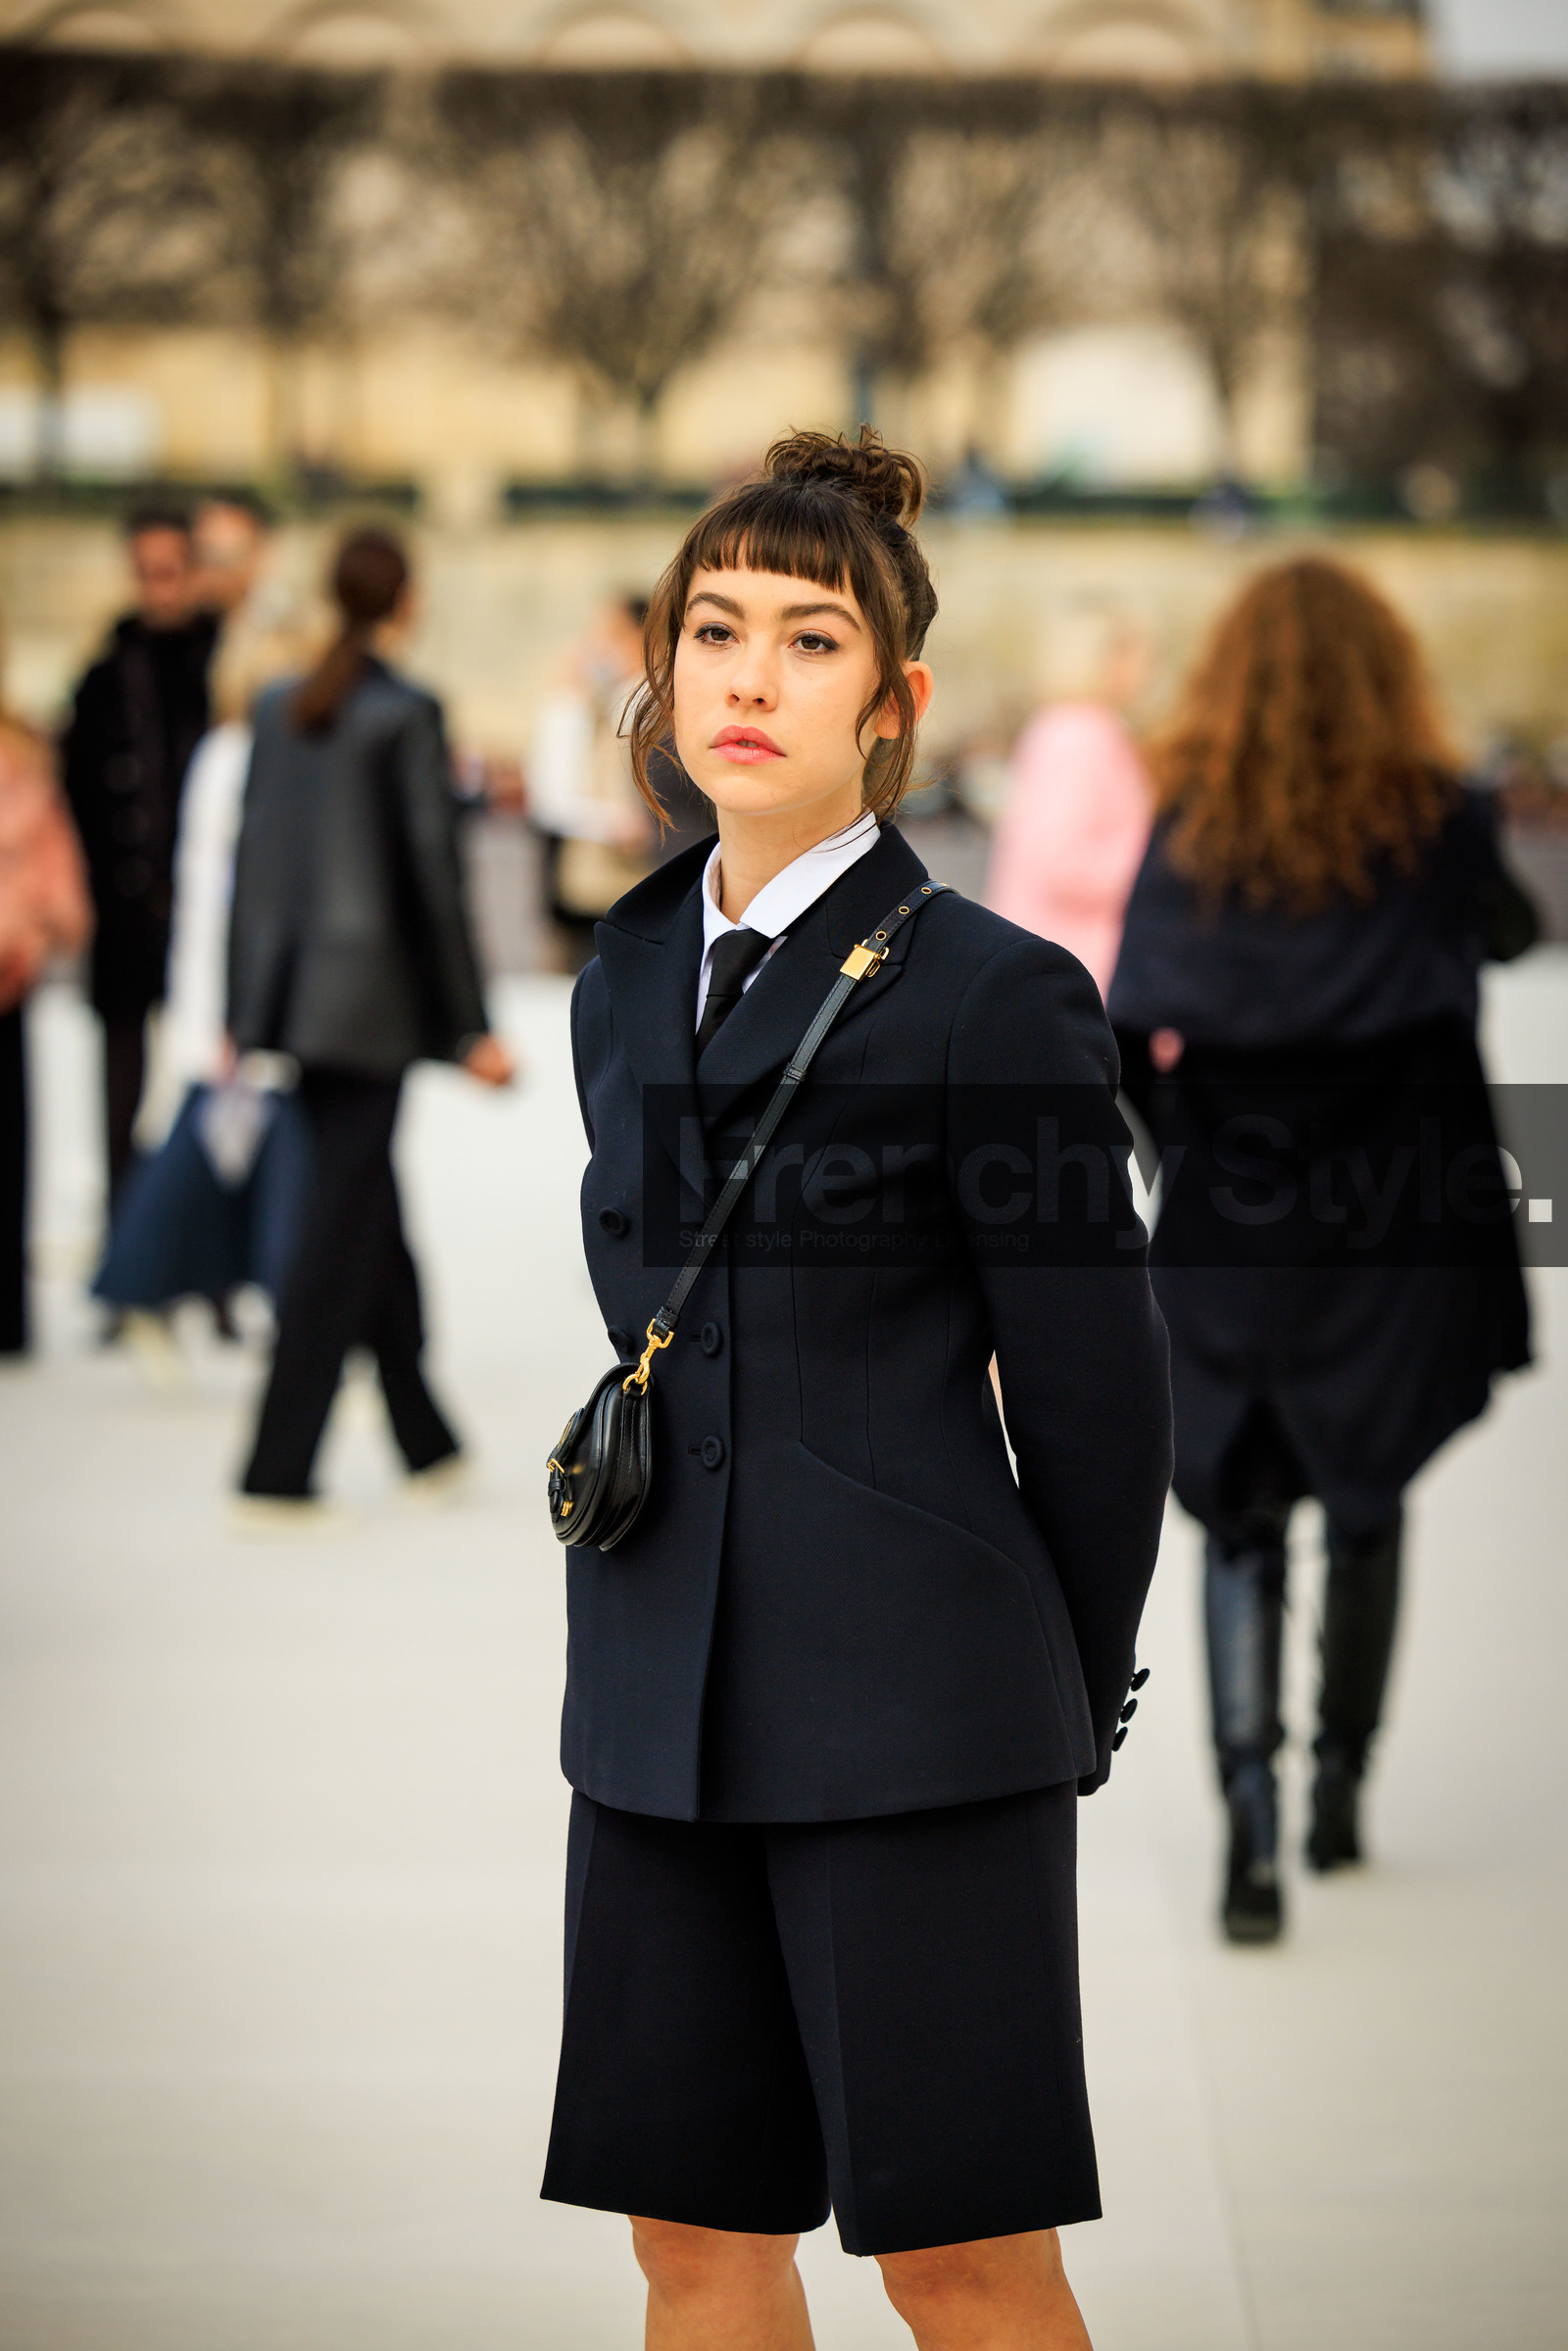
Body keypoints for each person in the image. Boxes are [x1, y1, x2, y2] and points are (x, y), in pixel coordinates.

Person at [545, 428, 1172, 2348]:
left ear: (891, 706)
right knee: (690, 2241)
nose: (742, 674)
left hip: (921, 1716)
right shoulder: (625, 970)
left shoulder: (994, 993)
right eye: (710, 627)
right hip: (658, 1698)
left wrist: (1048, 1693)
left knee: (960, 2260)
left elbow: (1097, 1398)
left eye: (805, 641)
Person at [1107, 557, 1535, 1945]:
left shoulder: (1196, 822)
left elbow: (1120, 1025)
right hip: (1400, 1207)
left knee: (1239, 1500)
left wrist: (1177, 1149)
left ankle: (1252, 1821)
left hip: (1234, 1203)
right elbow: (1517, 928)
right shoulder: (1438, 819)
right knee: (1369, 1483)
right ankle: (1343, 1779)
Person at [226, 526, 514, 1524]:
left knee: (360, 1205)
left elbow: (252, 863)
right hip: (374, 1005)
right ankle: (275, 1462)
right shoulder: (405, 711)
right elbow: (433, 884)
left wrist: (242, 1003)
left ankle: (421, 1434)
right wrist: (470, 1025)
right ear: (404, 600)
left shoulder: (277, 707)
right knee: (336, 1224)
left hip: (300, 996)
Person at [61, 504, 217, 1209]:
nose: (159, 586)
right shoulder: (101, 678)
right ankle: (123, 1233)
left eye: (171, 570)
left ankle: (202, 1253)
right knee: (120, 1085)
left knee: (210, 1084)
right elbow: (78, 796)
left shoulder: (221, 664)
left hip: (204, 911)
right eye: (146, 571)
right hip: (123, 911)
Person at [984, 615, 1152, 1002]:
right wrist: (1156, 865)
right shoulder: (1083, 734)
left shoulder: (1063, 727)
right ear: (1106, 659)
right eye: (1138, 655)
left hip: (1052, 957)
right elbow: (1061, 861)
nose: (1147, 670)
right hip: (1077, 960)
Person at [0, 675, 91, 1354]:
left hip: (10, 970)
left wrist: (41, 924)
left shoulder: (21, 757)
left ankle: (9, 1310)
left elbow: (51, 856)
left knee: (10, 1144)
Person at [528, 596, 659, 971]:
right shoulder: (601, 699)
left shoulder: (645, 701)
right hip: (593, 883)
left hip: (622, 881)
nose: (596, 646)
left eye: (609, 634)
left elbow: (555, 797)